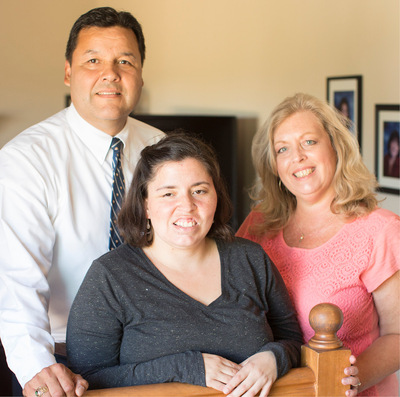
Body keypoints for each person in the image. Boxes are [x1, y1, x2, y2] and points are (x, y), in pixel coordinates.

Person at [0, 6, 163, 397]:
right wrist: (38, 365)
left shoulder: (162, 149)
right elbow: (16, 278)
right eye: (93, 60)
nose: (111, 73)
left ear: (140, 73)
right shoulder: (26, 158)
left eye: (125, 61)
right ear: (69, 72)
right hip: (62, 356)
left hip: (155, 349)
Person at [66, 132, 303, 397]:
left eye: (199, 191)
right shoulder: (109, 276)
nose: (187, 206)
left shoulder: (250, 259)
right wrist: (185, 367)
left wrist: (273, 358)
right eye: (168, 194)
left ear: (216, 197)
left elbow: (293, 341)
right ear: (145, 204)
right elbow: (87, 380)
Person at [236, 93, 400, 397]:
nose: (297, 157)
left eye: (309, 142)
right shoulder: (258, 225)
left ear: (336, 147)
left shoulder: (380, 231)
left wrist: (346, 380)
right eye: (282, 149)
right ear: (274, 166)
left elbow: (398, 335)